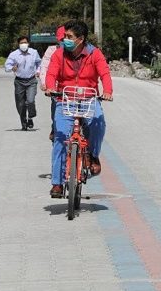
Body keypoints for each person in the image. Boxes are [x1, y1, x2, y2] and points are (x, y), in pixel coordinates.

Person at [45, 20, 113, 198]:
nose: (65, 40)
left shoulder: (94, 54)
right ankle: (57, 183)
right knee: (60, 137)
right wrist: (50, 86)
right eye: (65, 36)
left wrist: (107, 91)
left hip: (89, 98)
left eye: (69, 37)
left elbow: (104, 73)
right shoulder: (59, 55)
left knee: (98, 123)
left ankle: (93, 155)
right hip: (65, 98)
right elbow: (51, 73)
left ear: (81, 39)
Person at [4, 36, 41, 131]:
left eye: (25, 42)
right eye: (21, 43)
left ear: (28, 43)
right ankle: (24, 123)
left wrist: (38, 71)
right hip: (19, 81)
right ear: (18, 44)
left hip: (31, 80)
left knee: (30, 100)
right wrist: (12, 68)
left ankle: (30, 117)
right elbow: (7, 66)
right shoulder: (14, 54)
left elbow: (39, 63)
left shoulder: (34, 52)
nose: (23, 44)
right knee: (20, 104)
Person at [40, 25, 65, 142]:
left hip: (75, 89)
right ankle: (55, 129)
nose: (64, 41)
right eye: (62, 39)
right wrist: (45, 84)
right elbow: (45, 67)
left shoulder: (82, 50)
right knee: (56, 113)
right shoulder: (52, 50)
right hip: (56, 88)